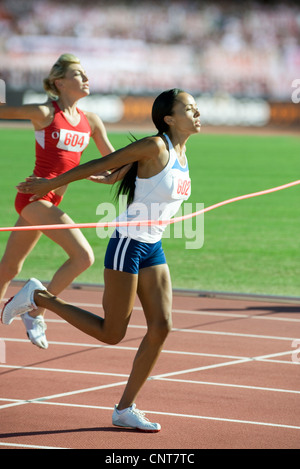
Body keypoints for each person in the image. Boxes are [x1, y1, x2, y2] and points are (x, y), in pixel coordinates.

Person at [1, 89, 201, 432]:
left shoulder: (182, 152)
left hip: (153, 244)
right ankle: (37, 297)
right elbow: (101, 162)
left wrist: (113, 178)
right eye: (190, 108)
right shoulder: (156, 146)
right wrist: (52, 182)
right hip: (128, 243)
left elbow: (124, 173)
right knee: (112, 333)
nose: (197, 113)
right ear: (169, 118)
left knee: (162, 326)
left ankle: (125, 410)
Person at [0, 53, 125, 349]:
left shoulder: (90, 121)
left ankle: (28, 308)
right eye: (78, 74)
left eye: (85, 74)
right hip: (33, 198)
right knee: (83, 257)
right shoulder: (45, 112)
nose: (86, 78)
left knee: (9, 267)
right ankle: (36, 309)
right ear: (60, 82)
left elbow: (114, 162)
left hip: (50, 200)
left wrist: (129, 170)